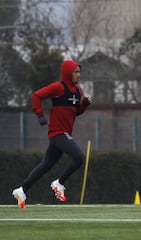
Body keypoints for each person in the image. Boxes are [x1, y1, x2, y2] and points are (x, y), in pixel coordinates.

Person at [12, 60, 92, 208]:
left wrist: (84, 106)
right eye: (75, 72)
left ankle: (22, 190)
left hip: (64, 133)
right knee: (79, 157)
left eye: (79, 72)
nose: (78, 75)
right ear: (68, 73)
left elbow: (75, 112)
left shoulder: (78, 91)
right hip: (58, 133)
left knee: (46, 165)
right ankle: (59, 183)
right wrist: (40, 114)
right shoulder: (58, 87)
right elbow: (36, 96)